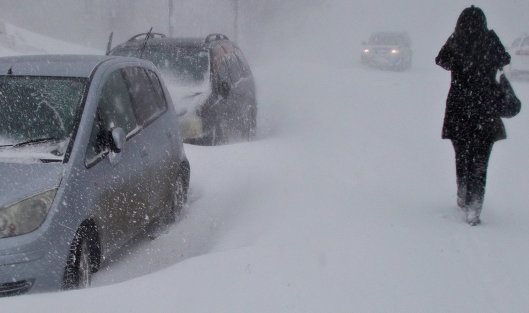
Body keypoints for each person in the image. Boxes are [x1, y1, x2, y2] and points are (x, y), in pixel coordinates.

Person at [435, 5, 511, 225]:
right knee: (480, 163)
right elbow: (504, 59)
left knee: (462, 157)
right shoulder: (489, 41)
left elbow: (441, 60)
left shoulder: (457, 42)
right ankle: (474, 207)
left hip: (460, 111)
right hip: (485, 112)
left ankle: (462, 193)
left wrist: (455, 38)